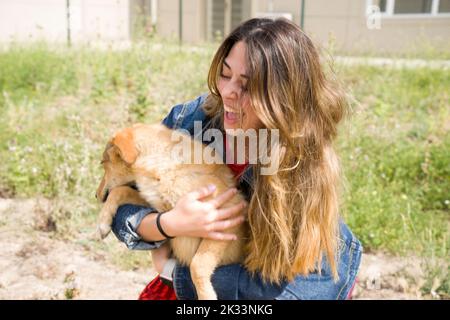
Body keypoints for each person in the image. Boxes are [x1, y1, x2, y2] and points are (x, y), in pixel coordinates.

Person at [111, 17, 362, 300]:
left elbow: (293, 288)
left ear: (282, 98)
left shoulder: (300, 161)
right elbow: (122, 198)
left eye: (247, 84)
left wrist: (177, 271)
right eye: (225, 74)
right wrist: (168, 224)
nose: (228, 92)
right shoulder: (193, 122)